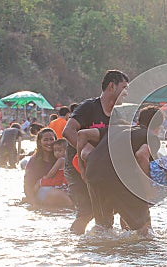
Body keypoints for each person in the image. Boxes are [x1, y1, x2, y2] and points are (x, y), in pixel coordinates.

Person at [62, 69, 129, 235]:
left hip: (101, 169)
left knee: (111, 211)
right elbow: (68, 131)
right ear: (111, 87)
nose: (127, 93)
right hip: (77, 165)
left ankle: (110, 247)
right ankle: (72, 245)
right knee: (87, 211)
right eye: (124, 88)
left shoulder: (118, 115)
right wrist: (87, 150)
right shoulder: (89, 107)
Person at [82, 106, 163, 235]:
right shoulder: (151, 137)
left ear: (138, 121)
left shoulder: (117, 131)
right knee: (144, 228)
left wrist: (83, 171)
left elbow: (82, 137)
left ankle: (96, 249)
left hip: (94, 174)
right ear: (158, 127)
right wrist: (147, 190)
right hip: (116, 176)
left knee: (102, 227)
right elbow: (141, 155)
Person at [24, 128, 73, 207]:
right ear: (40, 142)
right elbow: (27, 184)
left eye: (51, 139)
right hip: (43, 190)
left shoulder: (60, 157)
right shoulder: (34, 160)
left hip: (61, 189)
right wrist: (33, 202)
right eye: (45, 140)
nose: (49, 142)